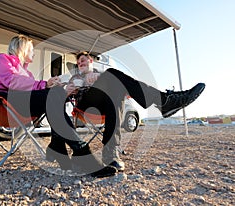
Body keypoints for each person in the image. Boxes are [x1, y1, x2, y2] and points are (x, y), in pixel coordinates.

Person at [0, 35, 118, 178]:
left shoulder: (27, 73)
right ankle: (77, 154)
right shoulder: (3, 58)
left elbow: (32, 90)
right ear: (23, 48)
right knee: (53, 95)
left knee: (55, 94)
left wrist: (56, 86)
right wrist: (44, 84)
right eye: (32, 49)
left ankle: (60, 148)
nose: (34, 53)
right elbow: (12, 81)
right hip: (0, 100)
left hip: (17, 102)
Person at [48, 51, 205, 172]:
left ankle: (110, 154)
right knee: (112, 74)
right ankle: (163, 101)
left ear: (90, 61)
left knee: (116, 90)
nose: (80, 63)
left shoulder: (100, 74)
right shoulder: (75, 76)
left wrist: (99, 76)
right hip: (86, 106)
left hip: (105, 104)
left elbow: (126, 89)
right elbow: (64, 90)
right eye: (78, 62)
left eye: (83, 60)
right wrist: (71, 86)